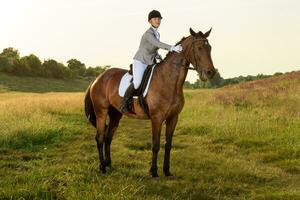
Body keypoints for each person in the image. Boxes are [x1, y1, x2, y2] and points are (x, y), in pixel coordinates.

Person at [120, 10, 183, 113]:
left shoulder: (157, 33)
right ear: (150, 21)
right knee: (137, 83)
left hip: (150, 61)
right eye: (155, 19)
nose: (157, 21)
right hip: (140, 61)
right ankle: (124, 103)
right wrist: (172, 48)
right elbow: (157, 44)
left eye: (159, 19)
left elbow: (153, 48)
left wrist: (158, 55)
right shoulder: (148, 33)